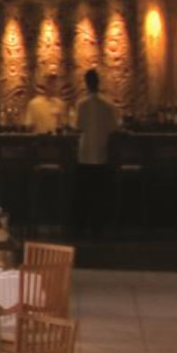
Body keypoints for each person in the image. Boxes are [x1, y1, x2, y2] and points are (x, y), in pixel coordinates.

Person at [74, 69, 120, 237]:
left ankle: (82, 227)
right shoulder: (108, 104)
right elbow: (114, 129)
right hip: (102, 154)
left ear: (86, 83)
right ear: (98, 82)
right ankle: (98, 228)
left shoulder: (81, 104)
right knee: (100, 194)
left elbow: (78, 127)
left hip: (85, 154)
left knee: (85, 193)